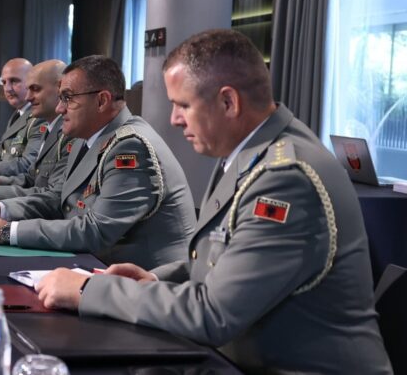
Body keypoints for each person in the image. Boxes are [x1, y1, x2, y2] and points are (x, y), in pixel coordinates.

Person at [35, 30, 392, 374]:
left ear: (228, 102)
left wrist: (88, 290)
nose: (174, 119)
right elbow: (225, 259)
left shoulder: (286, 178)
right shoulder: (249, 154)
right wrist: (156, 279)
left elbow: (214, 314)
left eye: (183, 105)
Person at [0, 55, 196, 269]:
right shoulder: (86, 138)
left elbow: (96, 230)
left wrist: (6, 231)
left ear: (102, 101)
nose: (59, 108)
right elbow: (57, 198)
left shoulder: (131, 147)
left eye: (68, 98)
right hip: (97, 264)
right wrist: (0, 208)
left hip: (145, 281)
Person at [0, 60, 71, 201]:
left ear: (60, 89)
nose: (28, 97)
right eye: (4, 82)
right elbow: (32, 176)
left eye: (35, 89)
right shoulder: (43, 124)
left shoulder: (66, 132)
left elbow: (52, 194)